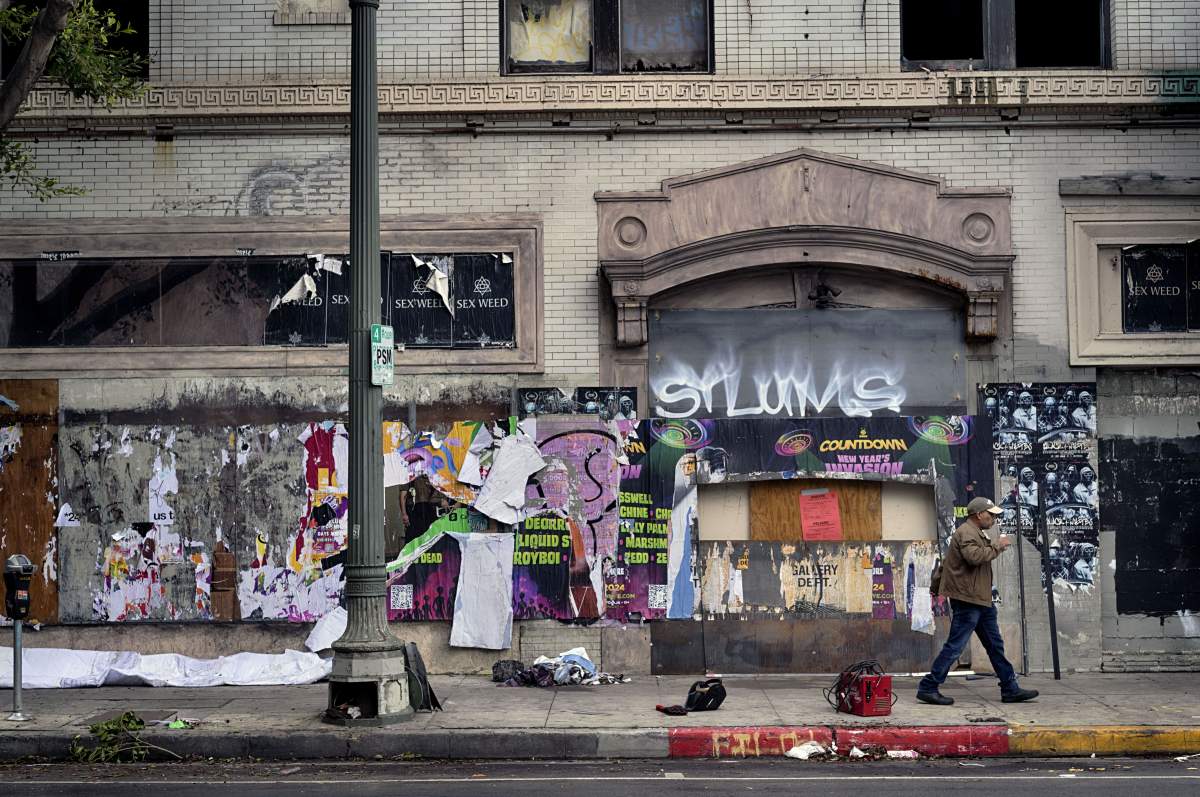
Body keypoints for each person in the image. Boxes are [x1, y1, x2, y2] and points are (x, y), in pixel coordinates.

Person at [917, 496, 1039, 706]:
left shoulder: (976, 533)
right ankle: (928, 687)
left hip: (981, 600)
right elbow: (974, 557)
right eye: (990, 514)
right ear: (978, 514)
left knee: (994, 646)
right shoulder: (966, 532)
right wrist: (997, 546)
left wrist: (993, 545)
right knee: (955, 647)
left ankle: (1010, 688)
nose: (993, 518)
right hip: (968, 600)